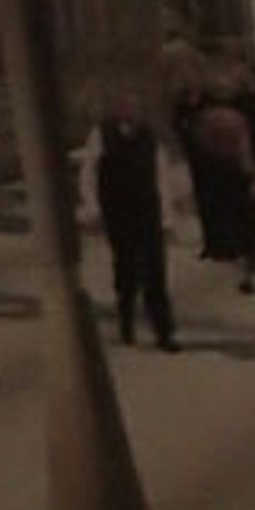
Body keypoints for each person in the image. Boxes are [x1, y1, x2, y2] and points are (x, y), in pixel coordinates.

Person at [89, 102, 174, 348]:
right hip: (118, 213)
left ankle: (164, 332)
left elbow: (163, 177)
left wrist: (167, 218)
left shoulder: (151, 138)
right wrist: (93, 208)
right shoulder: (101, 135)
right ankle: (126, 323)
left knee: (155, 274)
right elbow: (90, 172)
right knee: (125, 271)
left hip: (148, 211)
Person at [179, 80, 255, 289]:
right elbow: (245, 150)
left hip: (215, 177)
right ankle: (248, 267)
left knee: (229, 222)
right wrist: (252, 174)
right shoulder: (236, 119)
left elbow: (198, 148)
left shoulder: (201, 121)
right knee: (246, 224)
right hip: (237, 175)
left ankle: (235, 262)